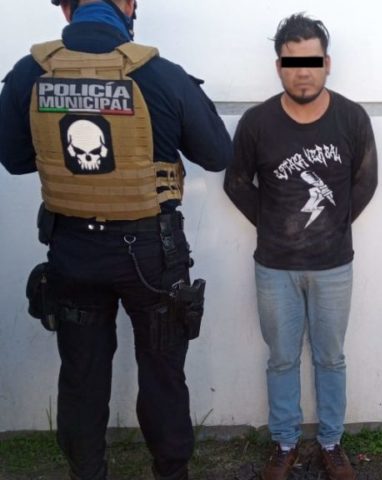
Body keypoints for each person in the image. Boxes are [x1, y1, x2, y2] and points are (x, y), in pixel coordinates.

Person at [0, 1, 232, 479]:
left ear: (67, 9)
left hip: (73, 253)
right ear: (127, 6)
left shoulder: (29, 73)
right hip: (152, 255)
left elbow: (16, 160)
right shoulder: (160, 74)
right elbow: (216, 153)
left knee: (81, 378)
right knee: (163, 375)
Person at [224, 13, 377, 480]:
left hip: (334, 266)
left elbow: (366, 181)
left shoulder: (351, 117)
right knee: (281, 359)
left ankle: (331, 443)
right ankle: (285, 442)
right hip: (275, 267)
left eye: (311, 62)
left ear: (327, 63)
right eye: (292, 63)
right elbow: (235, 182)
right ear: (279, 67)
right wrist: (272, 224)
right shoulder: (257, 122)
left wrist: (334, 225)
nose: (303, 73)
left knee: (331, 358)